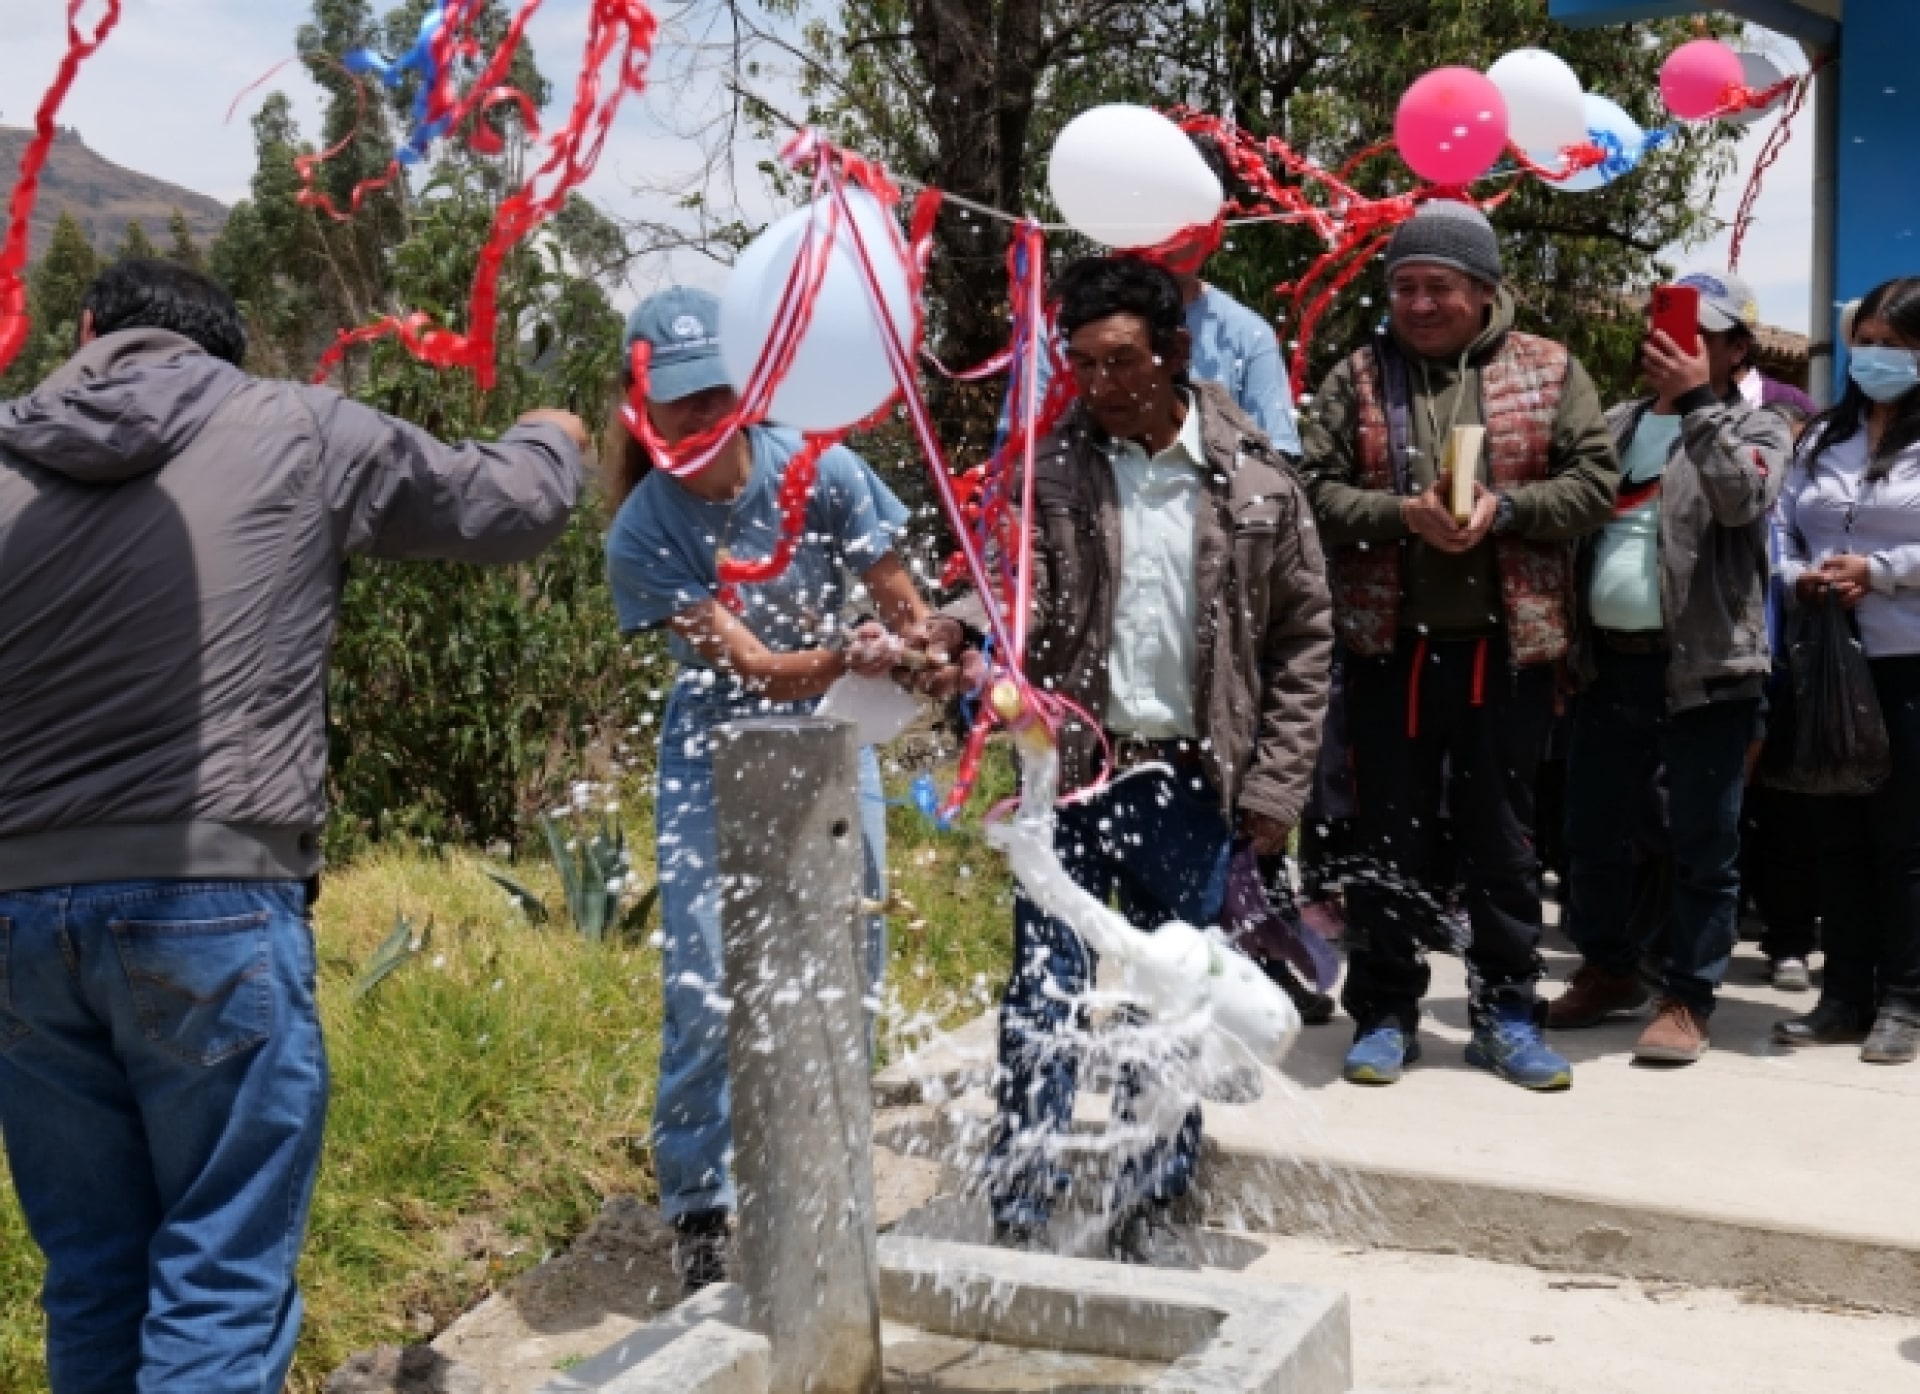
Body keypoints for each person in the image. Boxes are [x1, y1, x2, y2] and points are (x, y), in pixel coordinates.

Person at [0, 260, 589, 1394]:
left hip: (18, 916)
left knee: (90, 1272)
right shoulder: (292, 422)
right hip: (208, 894)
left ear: (83, 335)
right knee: (218, 1269)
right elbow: (506, 507)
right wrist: (553, 431)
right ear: (228, 351)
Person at [917, 256, 1331, 1262]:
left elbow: (1303, 639)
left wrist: (1275, 787)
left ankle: (1151, 1196)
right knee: (1044, 987)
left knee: (1168, 1001)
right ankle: (1023, 1194)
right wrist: (957, 629)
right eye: (1082, 364)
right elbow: (1007, 591)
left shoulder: (1258, 483)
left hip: (1192, 781)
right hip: (1066, 775)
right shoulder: (1053, 473)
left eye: (1121, 362)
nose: (1099, 384)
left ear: (1176, 352)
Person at [603, 287, 967, 1291]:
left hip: (834, 737)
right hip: (714, 747)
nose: (705, 417)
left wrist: (929, 647)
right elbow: (757, 666)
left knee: (849, 953)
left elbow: (905, 606)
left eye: (720, 392)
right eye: (682, 403)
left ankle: (826, 1168)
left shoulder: (825, 468)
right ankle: (702, 1201)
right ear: (643, 410)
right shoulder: (644, 529)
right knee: (707, 978)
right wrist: (859, 653)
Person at [1298, 200, 1619, 1090]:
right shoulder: (1359, 377)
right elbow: (1313, 491)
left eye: (1438, 286)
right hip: (1387, 651)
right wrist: (1402, 517)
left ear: (1483, 290)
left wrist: (1505, 511)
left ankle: (1506, 1013)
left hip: (1503, 653)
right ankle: (1387, 1015)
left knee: (1503, 843)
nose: (1419, 303)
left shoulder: (1548, 370)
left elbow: (1595, 483)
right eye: (1403, 286)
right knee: (1386, 839)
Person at [1545, 272, 1793, 1064]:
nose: (1674, 346)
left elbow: (1739, 502)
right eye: (1667, 328)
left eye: (1699, 335)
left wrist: (1695, 406)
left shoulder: (1763, 425)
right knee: (1592, 832)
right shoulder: (1614, 424)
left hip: (1708, 672)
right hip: (1608, 668)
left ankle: (1688, 994)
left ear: (1735, 350)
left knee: (1702, 840)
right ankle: (1610, 968)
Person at [1771, 275, 1920, 1064]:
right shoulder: (1823, 435)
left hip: (1907, 666)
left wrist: (1882, 570)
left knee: (1904, 842)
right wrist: (1798, 577)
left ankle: (1905, 1001)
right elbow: (1780, 530)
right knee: (1837, 833)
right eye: (1865, 342)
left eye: (1893, 347)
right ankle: (1843, 998)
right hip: (1825, 661)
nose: (1873, 358)